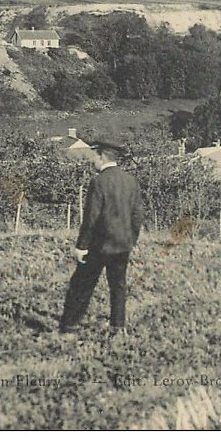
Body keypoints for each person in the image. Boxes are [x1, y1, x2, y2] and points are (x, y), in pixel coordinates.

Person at [58, 140, 145, 339]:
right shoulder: (131, 180)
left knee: (81, 284)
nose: (94, 161)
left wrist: (81, 246)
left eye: (95, 157)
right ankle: (118, 328)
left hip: (99, 246)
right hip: (122, 245)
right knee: (118, 286)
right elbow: (138, 214)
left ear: (102, 156)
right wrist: (131, 238)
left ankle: (70, 327)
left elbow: (91, 218)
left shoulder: (98, 182)